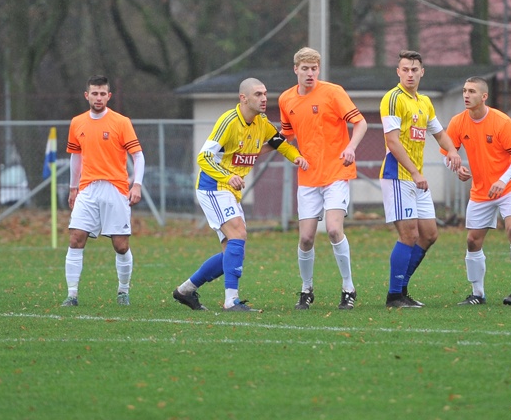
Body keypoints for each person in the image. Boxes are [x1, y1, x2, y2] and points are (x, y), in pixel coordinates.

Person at [173, 78, 308, 312]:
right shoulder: (228, 122)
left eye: (265, 93)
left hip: (229, 190)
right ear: (243, 98)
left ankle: (185, 291)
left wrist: (295, 156)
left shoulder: (261, 122)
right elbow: (203, 158)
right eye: (258, 94)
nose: (264, 98)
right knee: (239, 233)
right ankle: (231, 301)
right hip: (213, 186)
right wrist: (227, 177)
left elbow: (279, 143)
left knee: (232, 251)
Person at [279, 47, 368, 310]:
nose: (310, 73)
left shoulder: (333, 92)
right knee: (306, 238)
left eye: (314, 68)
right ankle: (306, 290)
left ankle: (348, 287)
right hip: (308, 178)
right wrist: (280, 152)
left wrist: (350, 147)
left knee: (332, 229)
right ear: (295, 69)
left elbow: (360, 123)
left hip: (336, 173)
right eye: (305, 68)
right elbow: (286, 139)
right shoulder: (286, 100)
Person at [379, 50, 462, 308]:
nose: (410, 74)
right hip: (398, 176)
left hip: (416, 179)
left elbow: (439, 133)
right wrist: (415, 172)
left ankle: (402, 288)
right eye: (405, 69)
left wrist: (453, 152)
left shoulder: (424, 102)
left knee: (429, 234)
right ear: (398, 72)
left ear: (422, 72)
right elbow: (392, 141)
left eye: (415, 70)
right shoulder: (393, 99)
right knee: (409, 235)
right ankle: (394, 296)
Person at [443, 77, 511, 306]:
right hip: (481, 191)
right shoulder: (458, 122)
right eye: (464, 90)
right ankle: (477, 293)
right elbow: (447, 155)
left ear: (484, 96)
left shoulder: (501, 121)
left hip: (509, 187)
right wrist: (456, 167)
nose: (466, 95)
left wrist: (502, 180)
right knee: (472, 241)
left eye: (471, 91)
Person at [61, 75, 144, 307]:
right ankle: (72, 294)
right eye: (94, 93)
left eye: (102, 93)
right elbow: (75, 157)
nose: (98, 98)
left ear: (109, 96)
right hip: (87, 189)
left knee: (121, 245)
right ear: (87, 95)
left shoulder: (121, 122)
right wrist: (73, 187)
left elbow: (138, 155)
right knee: (76, 238)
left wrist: (136, 184)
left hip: (116, 189)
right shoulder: (77, 122)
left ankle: (123, 291)